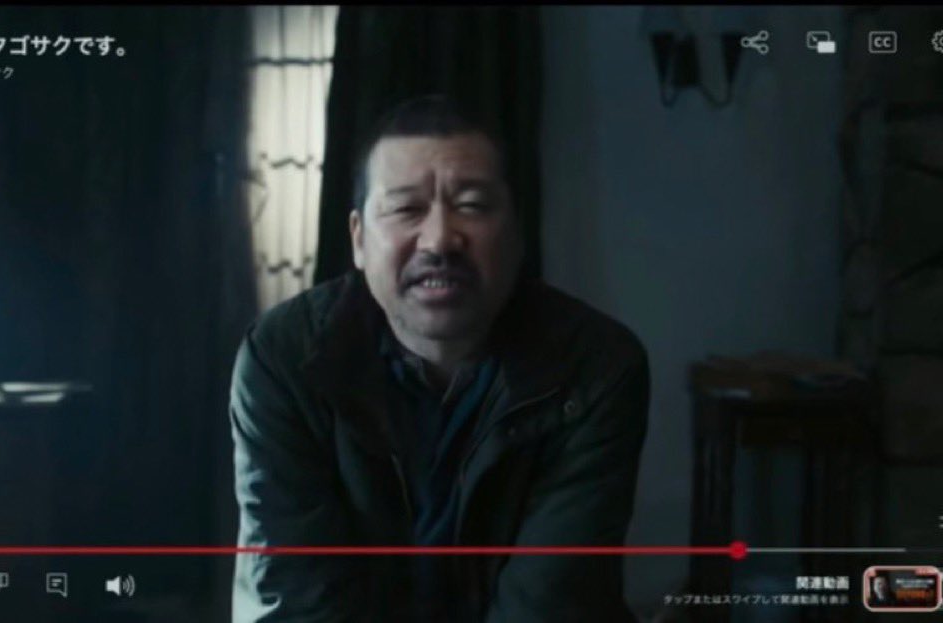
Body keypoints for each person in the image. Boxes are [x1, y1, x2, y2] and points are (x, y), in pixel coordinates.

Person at [230, 95, 650, 622]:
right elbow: (298, 599)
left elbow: (551, 603)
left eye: (471, 205)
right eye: (406, 209)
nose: (439, 241)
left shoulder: (597, 366)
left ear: (516, 235)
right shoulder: (284, 358)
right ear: (359, 240)